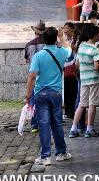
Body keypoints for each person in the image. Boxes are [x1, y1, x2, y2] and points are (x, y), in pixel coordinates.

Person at [25, 26, 72, 168]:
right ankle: (61, 152)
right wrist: (62, 38)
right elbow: (70, 50)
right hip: (56, 93)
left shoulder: (38, 56)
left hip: (41, 93)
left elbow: (32, 76)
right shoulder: (62, 52)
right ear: (55, 38)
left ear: (44, 39)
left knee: (44, 124)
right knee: (57, 123)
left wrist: (28, 95)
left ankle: (45, 156)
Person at [69, 24, 99, 138]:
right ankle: (89, 128)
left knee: (81, 104)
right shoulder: (95, 49)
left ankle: (73, 128)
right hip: (94, 80)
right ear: (93, 35)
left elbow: (77, 64)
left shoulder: (81, 46)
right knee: (92, 105)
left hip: (83, 80)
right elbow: (97, 67)